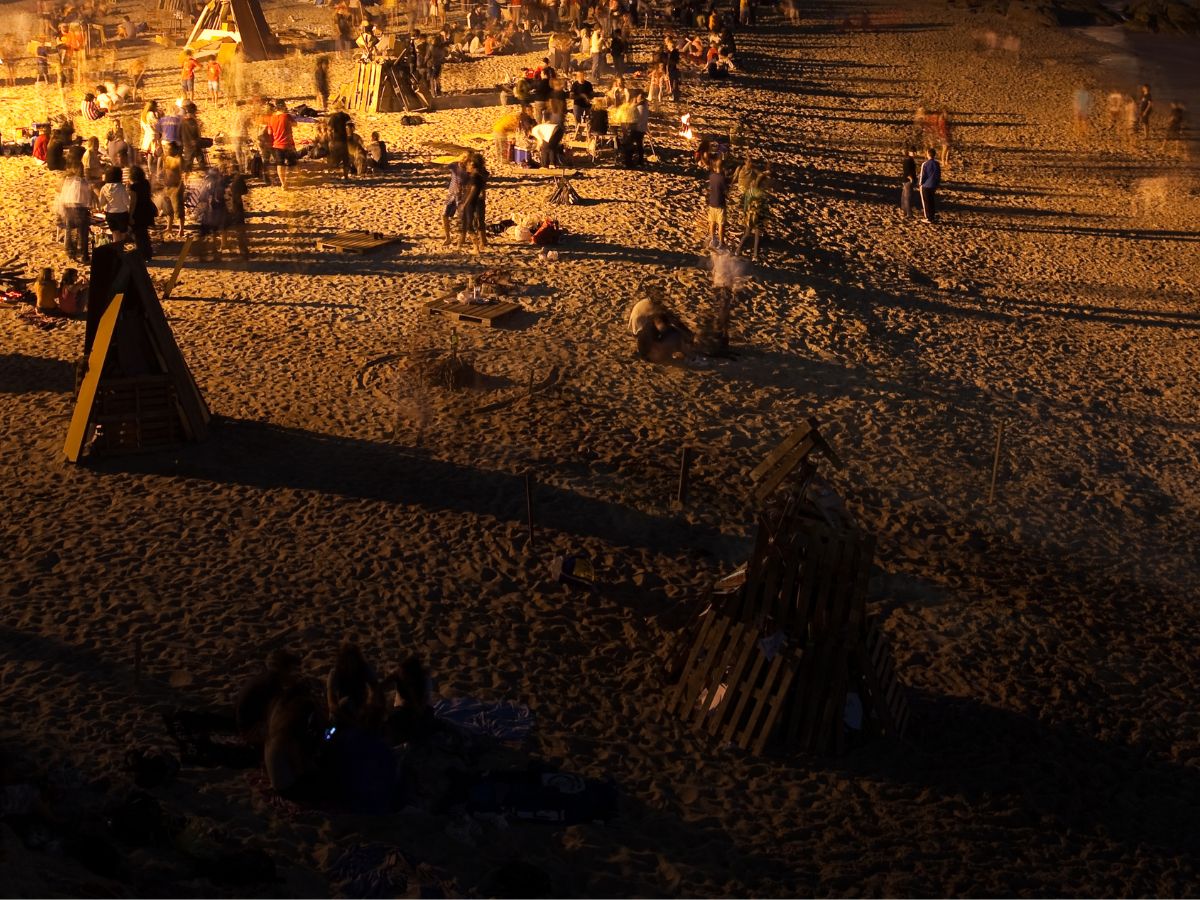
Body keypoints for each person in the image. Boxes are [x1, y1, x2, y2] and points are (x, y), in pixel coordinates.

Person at [326, 641, 383, 729]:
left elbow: (375, 686)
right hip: (343, 710)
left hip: (361, 706)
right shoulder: (335, 673)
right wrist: (351, 721)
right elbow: (332, 705)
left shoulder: (363, 668)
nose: (350, 665)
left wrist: (370, 702)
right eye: (347, 661)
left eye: (353, 661)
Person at [58, 164, 93, 262]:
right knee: (83, 233)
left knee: (71, 231)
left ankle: (71, 253)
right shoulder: (84, 182)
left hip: (69, 207)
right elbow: (87, 196)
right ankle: (84, 255)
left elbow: (63, 194)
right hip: (80, 208)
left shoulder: (68, 180)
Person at [456, 153, 487, 254]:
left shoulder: (475, 177)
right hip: (472, 203)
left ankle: (476, 247)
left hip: (470, 204)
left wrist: (465, 203)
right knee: (471, 224)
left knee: (469, 226)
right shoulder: (479, 175)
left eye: (469, 164)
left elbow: (473, 191)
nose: (467, 166)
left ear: (473, 164)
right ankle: (475, 246)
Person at [223, 161, 252, 259]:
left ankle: (224, 246)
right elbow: (245, 191)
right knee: (240, 231)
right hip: (237, 207)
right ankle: (243, 252)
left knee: (225, 229)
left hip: (224, 208)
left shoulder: (221, 179)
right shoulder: (238, 178)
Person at [267, 99, 297, 189]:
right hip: (288, 144)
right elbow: (295, 124)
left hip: (277, 145)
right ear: (283, 106)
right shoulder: (286, 116)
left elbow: (269, 132)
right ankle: (288, 181)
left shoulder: (271, 118)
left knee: (280, 164)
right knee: (291, 164)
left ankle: (283, 183)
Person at [129, 165, 156, 259]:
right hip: (147, 209)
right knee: (144, 234)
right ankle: (148, 253)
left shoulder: (134, 187)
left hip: (138, 212)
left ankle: (142, 254)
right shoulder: (146, 183)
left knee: (139, 236)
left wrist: (130, 215)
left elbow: (133, 202)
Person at [98, 166, 131, 243]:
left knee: (115, 236)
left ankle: (116, 251)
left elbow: (101, 203)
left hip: (110, 214)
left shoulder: (104, 188)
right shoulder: (121, 187)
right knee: (123, 236)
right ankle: (121, 252)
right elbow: (127, 202)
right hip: (122, 214)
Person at [161, 141, 186, 239]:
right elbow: (165, 171)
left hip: (176, 187)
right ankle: (169, 227)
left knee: (178, 209)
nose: (167, 150)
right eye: (166, 149)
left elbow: (183, 174)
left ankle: (181, 229)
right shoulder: (166, 158)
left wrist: (180, 187)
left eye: (169, 149)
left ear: (175, 149)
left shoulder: (179, 159)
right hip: (167, 186)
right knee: (168, 209)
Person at [706, 156, 728, 248]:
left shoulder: (711, 176)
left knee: (712, 222)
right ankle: (721, 242)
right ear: (722, 167)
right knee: (721, 224)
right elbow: (725, 190)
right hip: (720, 203)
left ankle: (713, 239)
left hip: (712, 203)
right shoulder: (722, 178)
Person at [327, 107, 352, 180]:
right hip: (344, 140)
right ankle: (346, 176)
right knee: (345, 159)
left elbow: (329, 129)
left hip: (336, 140)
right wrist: (349, 136)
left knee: (334, 158)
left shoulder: (333, 117)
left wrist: (330, 139)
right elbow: (350, 127)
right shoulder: (346, 116)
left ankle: (334, 176)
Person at [918, 146, 941, 224]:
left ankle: (928, 217)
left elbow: (922, 175)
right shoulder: (937, 164)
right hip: (933, 185)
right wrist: (937, 183)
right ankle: (932, 216)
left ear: (928, 154)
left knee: (926, 202)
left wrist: (920, 184)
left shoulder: (925, 164)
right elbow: (938, 175)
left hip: (926, 185)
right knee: (931, 201)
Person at [179, 102, 203, 173]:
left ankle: (187, 179)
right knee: (201, 162)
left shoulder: (182, 121)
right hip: (193, 144)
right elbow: (198, 134)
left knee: (188, 166)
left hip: (187, 146)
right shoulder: (193, 121)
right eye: (195, 112)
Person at [570, 70, 594, 138]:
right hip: (577, 104)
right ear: (577, 77)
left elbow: (592, 94)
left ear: (584, 76)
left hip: (587, 105)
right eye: (578, 76)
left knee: (589, 119)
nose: (580, 77)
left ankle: (589, 133)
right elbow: (571, 96)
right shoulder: (575, 85)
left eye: (581, 75)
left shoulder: (588, 84)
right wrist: (581, 96)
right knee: (577, 119)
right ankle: (579, 134)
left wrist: (589, 98)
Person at [900, 146, 916, 218]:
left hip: (906, 180)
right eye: (913, 152)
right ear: (909, 152)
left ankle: (904, 211)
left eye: (915, 152)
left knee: (904, 196)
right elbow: (907, 170)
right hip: (908, 180)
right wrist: (911, 178)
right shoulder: (909, 160)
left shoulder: (909, 159)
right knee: (908, 197)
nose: (914, 153)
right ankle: (909, 213)